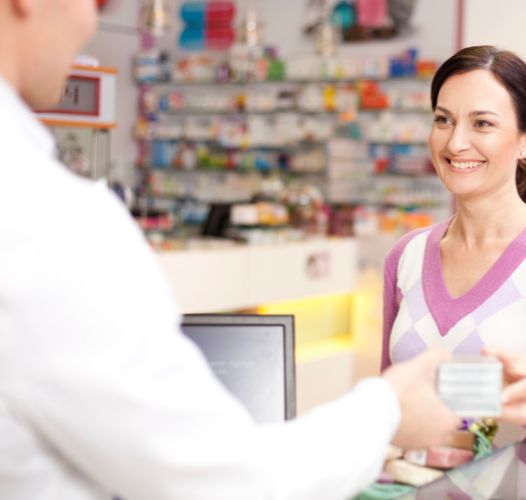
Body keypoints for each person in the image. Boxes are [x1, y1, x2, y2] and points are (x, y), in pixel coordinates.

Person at [0, 1, 461, 499]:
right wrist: (386, 411)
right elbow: (227, 484)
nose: (96, 19)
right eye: (96, 1)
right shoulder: (49, 220)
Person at [382, 45, 526, 446]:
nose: (455, 143)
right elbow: (389, 395)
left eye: (482, 124)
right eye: (443, 120)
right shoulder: (406, 254)